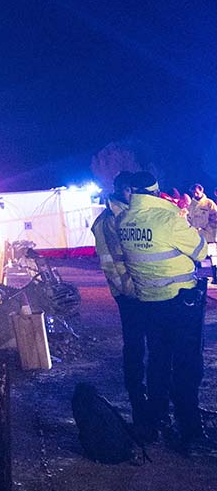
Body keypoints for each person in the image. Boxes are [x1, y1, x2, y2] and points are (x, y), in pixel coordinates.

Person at [117, 171, 208, 452]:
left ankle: (157, 418)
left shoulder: (125, 222)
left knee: (157, 362)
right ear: (156, 192)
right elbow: (201, 251)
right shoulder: (168, 220)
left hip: (148, 303)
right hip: (181, 304)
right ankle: (190, 427)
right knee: (186, 366)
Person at [91, 171, 147, 427]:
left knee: (145, 347)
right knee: (135, 347)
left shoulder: (124, 214)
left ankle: (146, 399)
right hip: (130, 294)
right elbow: (111, 264)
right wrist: (131, 291)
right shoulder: (110, 220)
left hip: (140, 291)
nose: (134, 195)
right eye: (131, 190)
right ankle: (139, 403)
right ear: (122, 190)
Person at [187, 183, 217, 280]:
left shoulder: (209, 203)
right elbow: (188, 218)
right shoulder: (191, 205)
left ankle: (215, 276)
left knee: (213, 256)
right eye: (193, 193)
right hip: (196, 235)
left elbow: (215, 218)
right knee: (196, 255)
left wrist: (208, 227)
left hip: (209, 235)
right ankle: (197, 275)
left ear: (201, 191)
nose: (195, 195)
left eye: (196, 192)